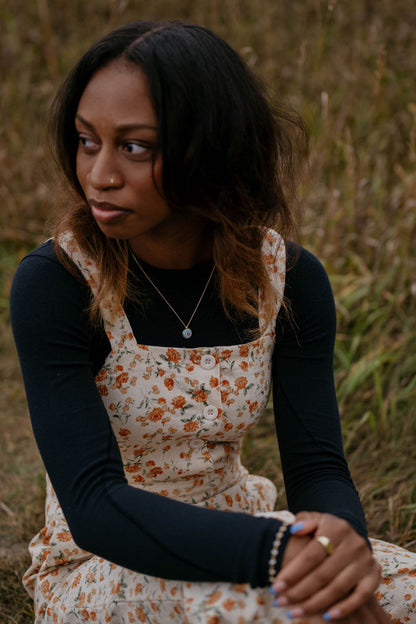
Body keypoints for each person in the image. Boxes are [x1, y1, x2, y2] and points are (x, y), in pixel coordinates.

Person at [10, 20, 415, 624]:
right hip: (103, 566)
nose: (99, 174)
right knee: (278, 608)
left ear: (210, 148)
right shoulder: (58, 282)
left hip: (247, 531)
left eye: (135, 146)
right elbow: (96, 506)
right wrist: (278, 553)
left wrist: (337, 548)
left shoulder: (288, 277)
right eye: (86, 140)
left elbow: (320, 469)